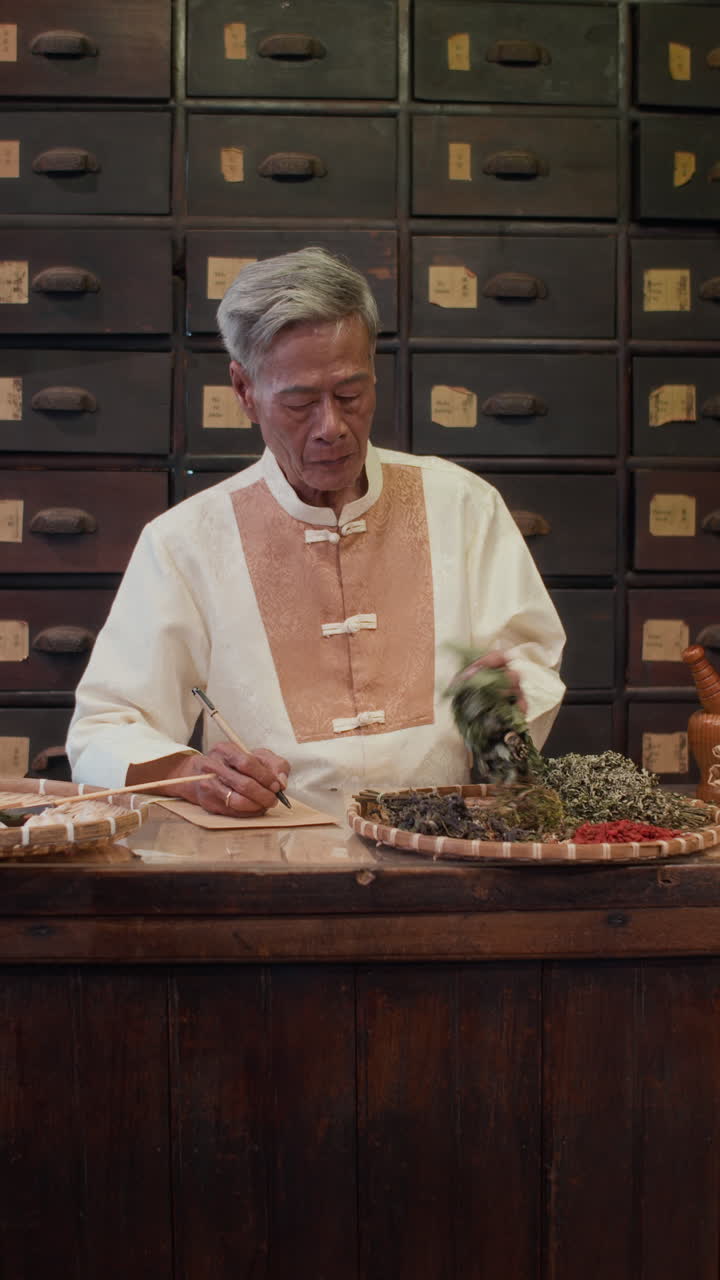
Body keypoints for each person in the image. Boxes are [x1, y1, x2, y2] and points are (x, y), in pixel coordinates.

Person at [67, 247, 566, 820]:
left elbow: (529, 659)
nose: (332, 428)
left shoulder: (461, 504)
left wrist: (508, 704)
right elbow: (105, 726)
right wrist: (190, 772)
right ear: (244, 390)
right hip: (267, 853)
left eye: (351, 395)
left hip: (442, 844)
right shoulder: (186, 541)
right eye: (300, 402)